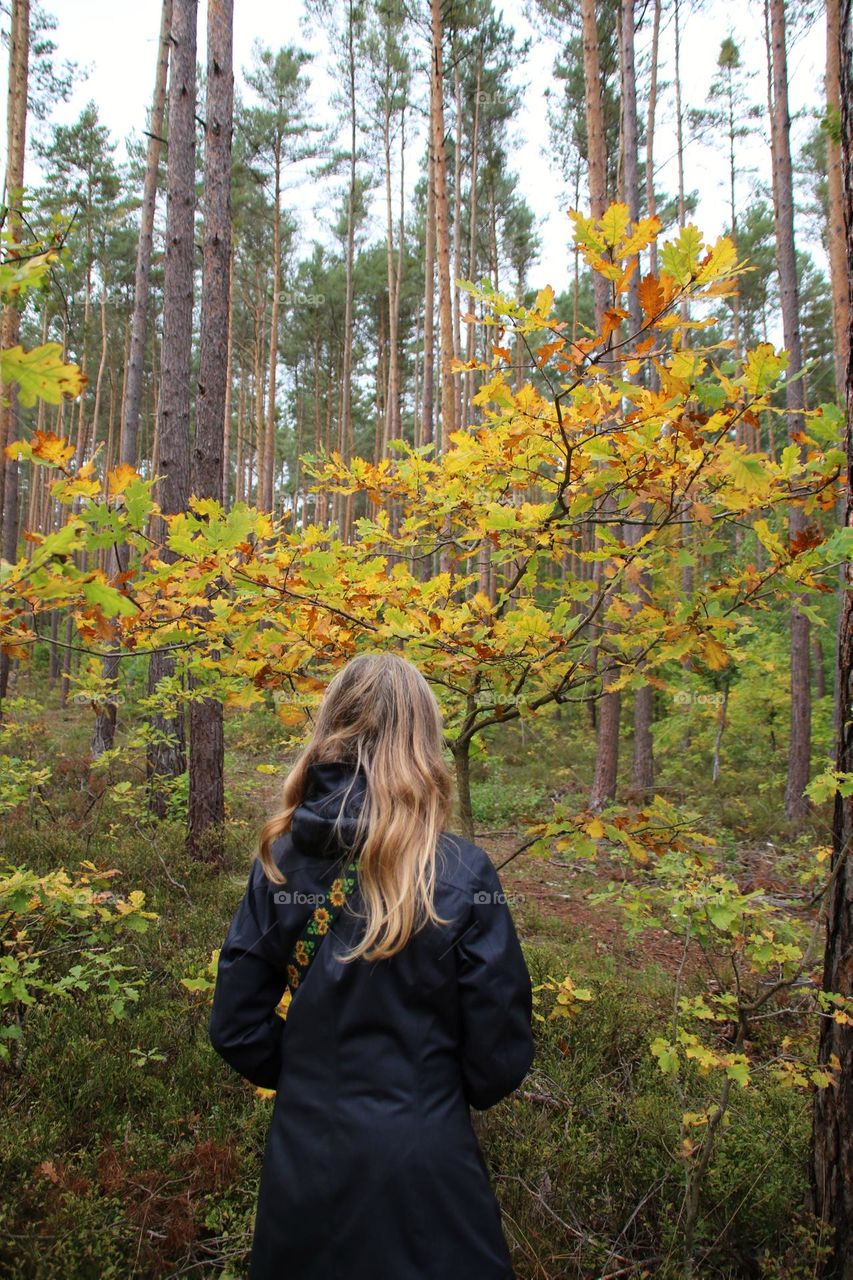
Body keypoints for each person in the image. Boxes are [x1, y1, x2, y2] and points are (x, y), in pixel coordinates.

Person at [208, 651, 535, 1280]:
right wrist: (425, 1095)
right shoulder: (464, 875)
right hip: (430, 1172)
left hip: (305, 1167)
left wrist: (312, 1077)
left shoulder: (280, 862)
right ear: (422, 741)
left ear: (332, 730)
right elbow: (500, 1056)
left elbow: (235, 1026)